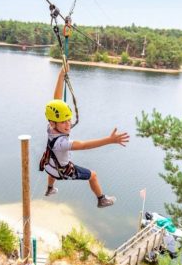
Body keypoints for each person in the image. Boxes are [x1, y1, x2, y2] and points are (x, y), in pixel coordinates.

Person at [42, 66, 130, 208]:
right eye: (64, 122)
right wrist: (110, 140)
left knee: (53, 165)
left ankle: (50, 188)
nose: (68, 124)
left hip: (50, 165)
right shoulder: (62, 143)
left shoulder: (50, 128)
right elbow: (84, 145)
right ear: (53, 123)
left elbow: (56, 100)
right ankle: (101, 199)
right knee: (93, 175)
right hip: (64, 172)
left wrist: (61, 74)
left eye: (68, 120)